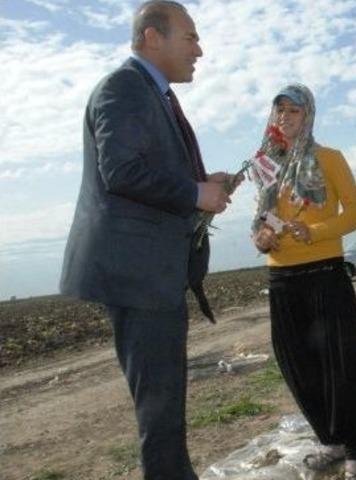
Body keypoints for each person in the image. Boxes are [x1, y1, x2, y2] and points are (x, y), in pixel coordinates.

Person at [59, 2, 241, 479]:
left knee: (165, 404)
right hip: (138, 274)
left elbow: (148, 171)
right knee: (159, 410)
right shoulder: (123, 87)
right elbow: (119, 172)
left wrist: (204, 182)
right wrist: (193, 192)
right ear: (152, 38)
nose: (199, 50)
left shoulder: (154, 94)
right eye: (191, 37)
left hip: (151, 274)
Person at [251, 84, 356, 480]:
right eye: (280, 110)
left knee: (343, 363)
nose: (285, 117)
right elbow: (261, 217)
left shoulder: (329, 158)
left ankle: (355, 449)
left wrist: (316, 231)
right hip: (282, 277)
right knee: (299, 366)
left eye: (293, 111)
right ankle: (330, 439)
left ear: (309, 116)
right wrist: (260, 237)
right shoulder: (266, 163)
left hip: (324, 273)